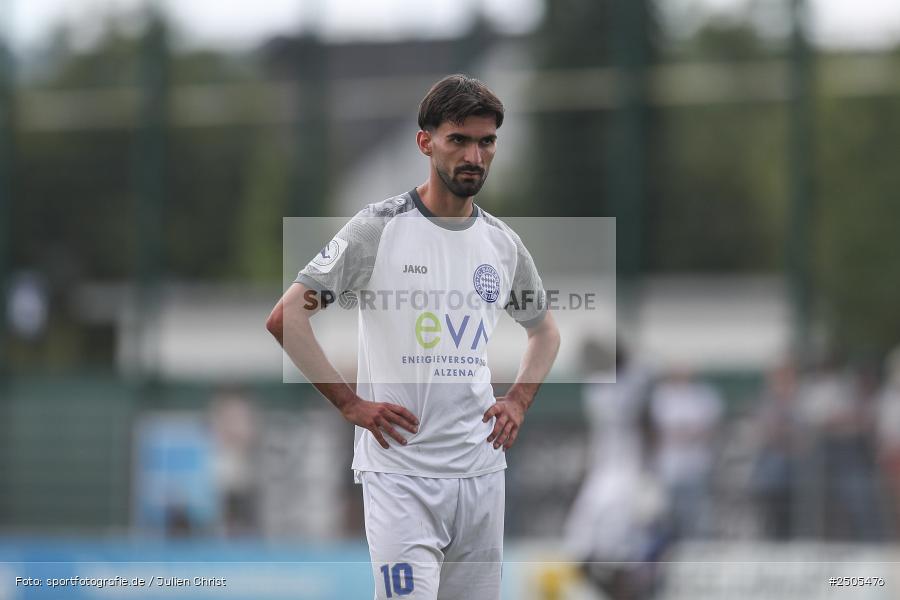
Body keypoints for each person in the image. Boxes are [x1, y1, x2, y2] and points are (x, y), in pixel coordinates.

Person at [266, 74, 560, 600]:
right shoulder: (377, 229)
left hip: (480, 473)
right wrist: (350, 404)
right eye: (459, 140)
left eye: (486, 141)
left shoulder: (502, 243)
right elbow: (287, 317)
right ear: (426, 142)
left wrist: (518, 398)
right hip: (401, 475)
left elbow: (544, 332)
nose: (475, 155)